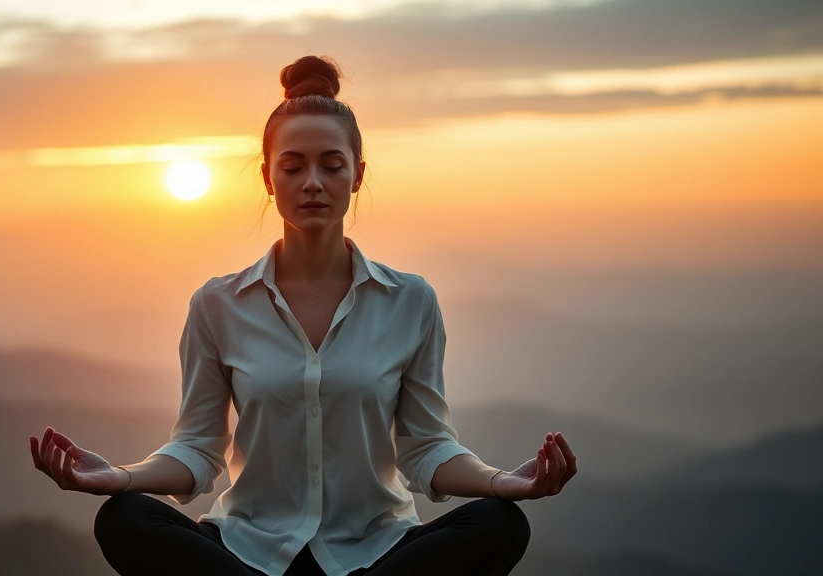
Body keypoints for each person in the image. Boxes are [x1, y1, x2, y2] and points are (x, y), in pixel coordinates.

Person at [29, 55, 577, 576]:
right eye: (293, 167)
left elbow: (426, 447)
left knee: (499, 524)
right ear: (268, 179)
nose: (312, 181)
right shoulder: (218, 305)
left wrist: (504, 482)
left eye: (331, 165)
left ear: (357, 175)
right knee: (125, 517)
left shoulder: (410, 301)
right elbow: (197, 449)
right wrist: (118, 476)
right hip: (249, 551)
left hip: (378, 550)